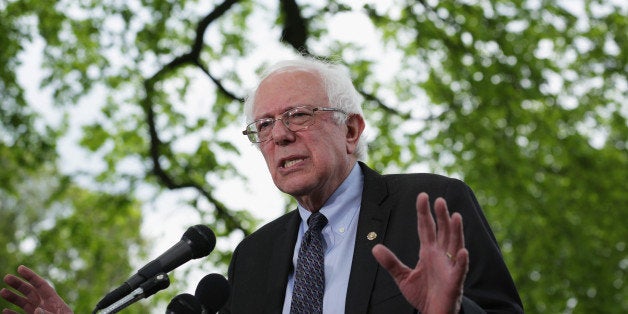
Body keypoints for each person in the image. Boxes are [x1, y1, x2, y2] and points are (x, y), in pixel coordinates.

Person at [2, 57, 523, 314]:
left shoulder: (427, 206)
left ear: (352, 129)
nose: (279, 136)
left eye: (297, 114)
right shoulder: (254, 257)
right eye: (264, 126)